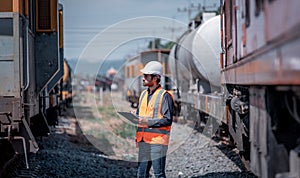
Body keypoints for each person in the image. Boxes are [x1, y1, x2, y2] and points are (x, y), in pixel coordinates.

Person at [135, 61, 174, 178]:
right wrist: (135, 116)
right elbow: (140, 116)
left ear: (156, 78)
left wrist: (148, 122)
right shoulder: (142, 94)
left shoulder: (165, 95)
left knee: (159, 175)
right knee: (141, 175)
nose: (143, 78)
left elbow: (168, 120)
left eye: (146, 76)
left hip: (158, 142)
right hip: (143, 141)